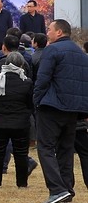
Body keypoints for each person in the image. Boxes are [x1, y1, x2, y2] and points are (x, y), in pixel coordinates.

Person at [34, 19, 88, 203]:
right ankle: (66, 190)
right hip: (74, 109)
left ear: (59, 32)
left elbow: (42, 79)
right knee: (66, 150)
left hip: (52, 106)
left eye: (49, 29)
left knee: (45, 147)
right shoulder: (81, 53)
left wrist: (36, 101)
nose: (47, 32)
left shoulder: (52, 50)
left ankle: (57, 189)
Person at [0, 51, 35, 189]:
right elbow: (30, 103)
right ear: (21, 65)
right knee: (21, 153)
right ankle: (22, 183)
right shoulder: (26, 82)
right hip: (20, 122)